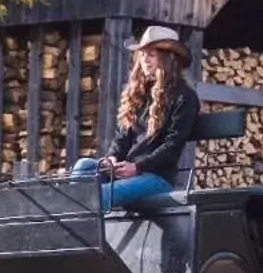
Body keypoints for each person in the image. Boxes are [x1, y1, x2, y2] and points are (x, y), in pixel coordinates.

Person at [71, 25, 199, 210]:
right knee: (84, 166)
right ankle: (76, 231)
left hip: (156, 177)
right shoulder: (139, 95)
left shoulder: (184, 97)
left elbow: (172, 147)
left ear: (169, 59)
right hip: (127, 171)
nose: (145, 60)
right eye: (143, 54)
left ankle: (88, 237)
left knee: (102, 194)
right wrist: (112, 159)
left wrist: (137, 167)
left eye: (152, 55)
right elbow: (122, 137)